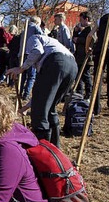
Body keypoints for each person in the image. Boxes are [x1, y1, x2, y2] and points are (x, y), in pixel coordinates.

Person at [6, 19, 77, 148]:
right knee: (50, 108)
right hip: (72, 66)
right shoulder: (52, 42)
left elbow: (37, 52)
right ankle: (55, 147)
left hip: (55, 63)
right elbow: (41, 96)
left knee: (39, 112)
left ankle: (41, 147)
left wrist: (21, 68)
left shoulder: (33, 38)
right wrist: (26, 107)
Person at [72, 12, 93, 99]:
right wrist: (76, 32)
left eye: (81, 20)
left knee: (86, 75)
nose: (80, 22)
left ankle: (89, 93)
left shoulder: (91, 29)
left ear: (86, 19)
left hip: (86, 57)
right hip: (79, 56)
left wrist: (79, 39)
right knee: (78, 76)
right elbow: (74, 40)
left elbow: (92, 41)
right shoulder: (83, 30)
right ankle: (79, 92)